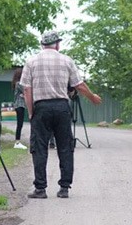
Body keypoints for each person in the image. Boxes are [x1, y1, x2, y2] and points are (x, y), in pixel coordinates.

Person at [20, 30, 102, 199]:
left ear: (42, 45)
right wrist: (92, 97)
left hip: (41, 107)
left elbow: (27, 89)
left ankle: (40, 189)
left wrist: (31, 112)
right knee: (65, 147)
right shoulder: (67, 60)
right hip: (62, 107)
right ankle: (64, 187)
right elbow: (78, 85)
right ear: (57, 44)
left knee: (40, 147)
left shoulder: (31, 61)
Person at [12, 67, 28, 149]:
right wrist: (24, 95)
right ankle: (17, 142)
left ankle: (17, 141)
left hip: (19, 105)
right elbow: (26, 91)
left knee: (20, 124)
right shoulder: (19, 84)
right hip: (20, 105)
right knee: (19, 124)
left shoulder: (16, 83)